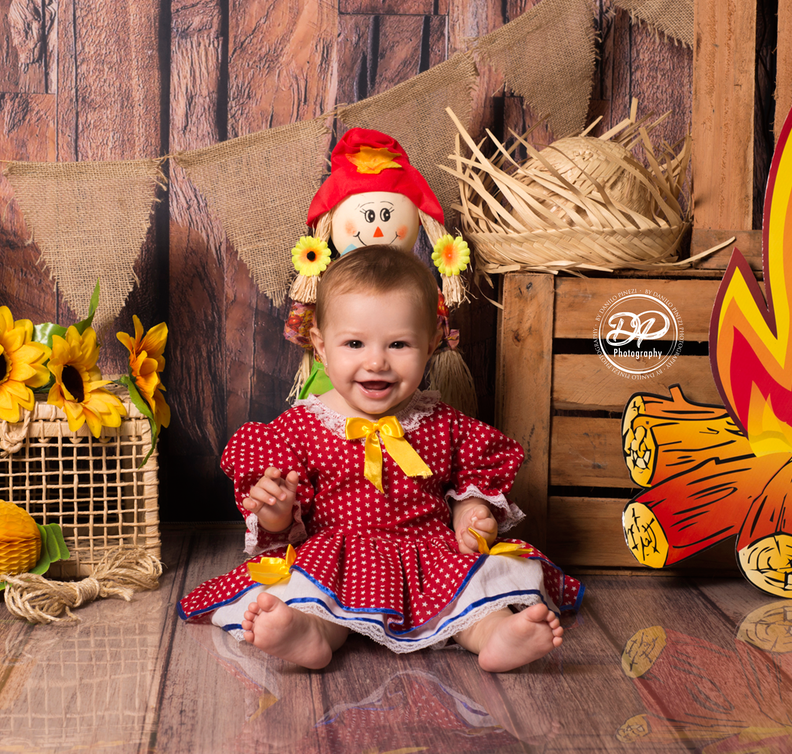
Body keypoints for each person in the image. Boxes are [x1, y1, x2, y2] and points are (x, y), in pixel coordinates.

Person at [179, 246, 582, 671]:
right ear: (320, 346)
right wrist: (277, 510)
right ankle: (310, 632)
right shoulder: (301, 427)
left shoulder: (441, 421)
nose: (376, 361)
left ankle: (493, 634)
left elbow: (469, 478)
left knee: (474, 589)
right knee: (308, 592)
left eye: (398, 344)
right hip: (337, 555)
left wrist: (471, 513)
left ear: (430, 344)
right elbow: (283, 527)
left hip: (429, 555)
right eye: (354, 343)